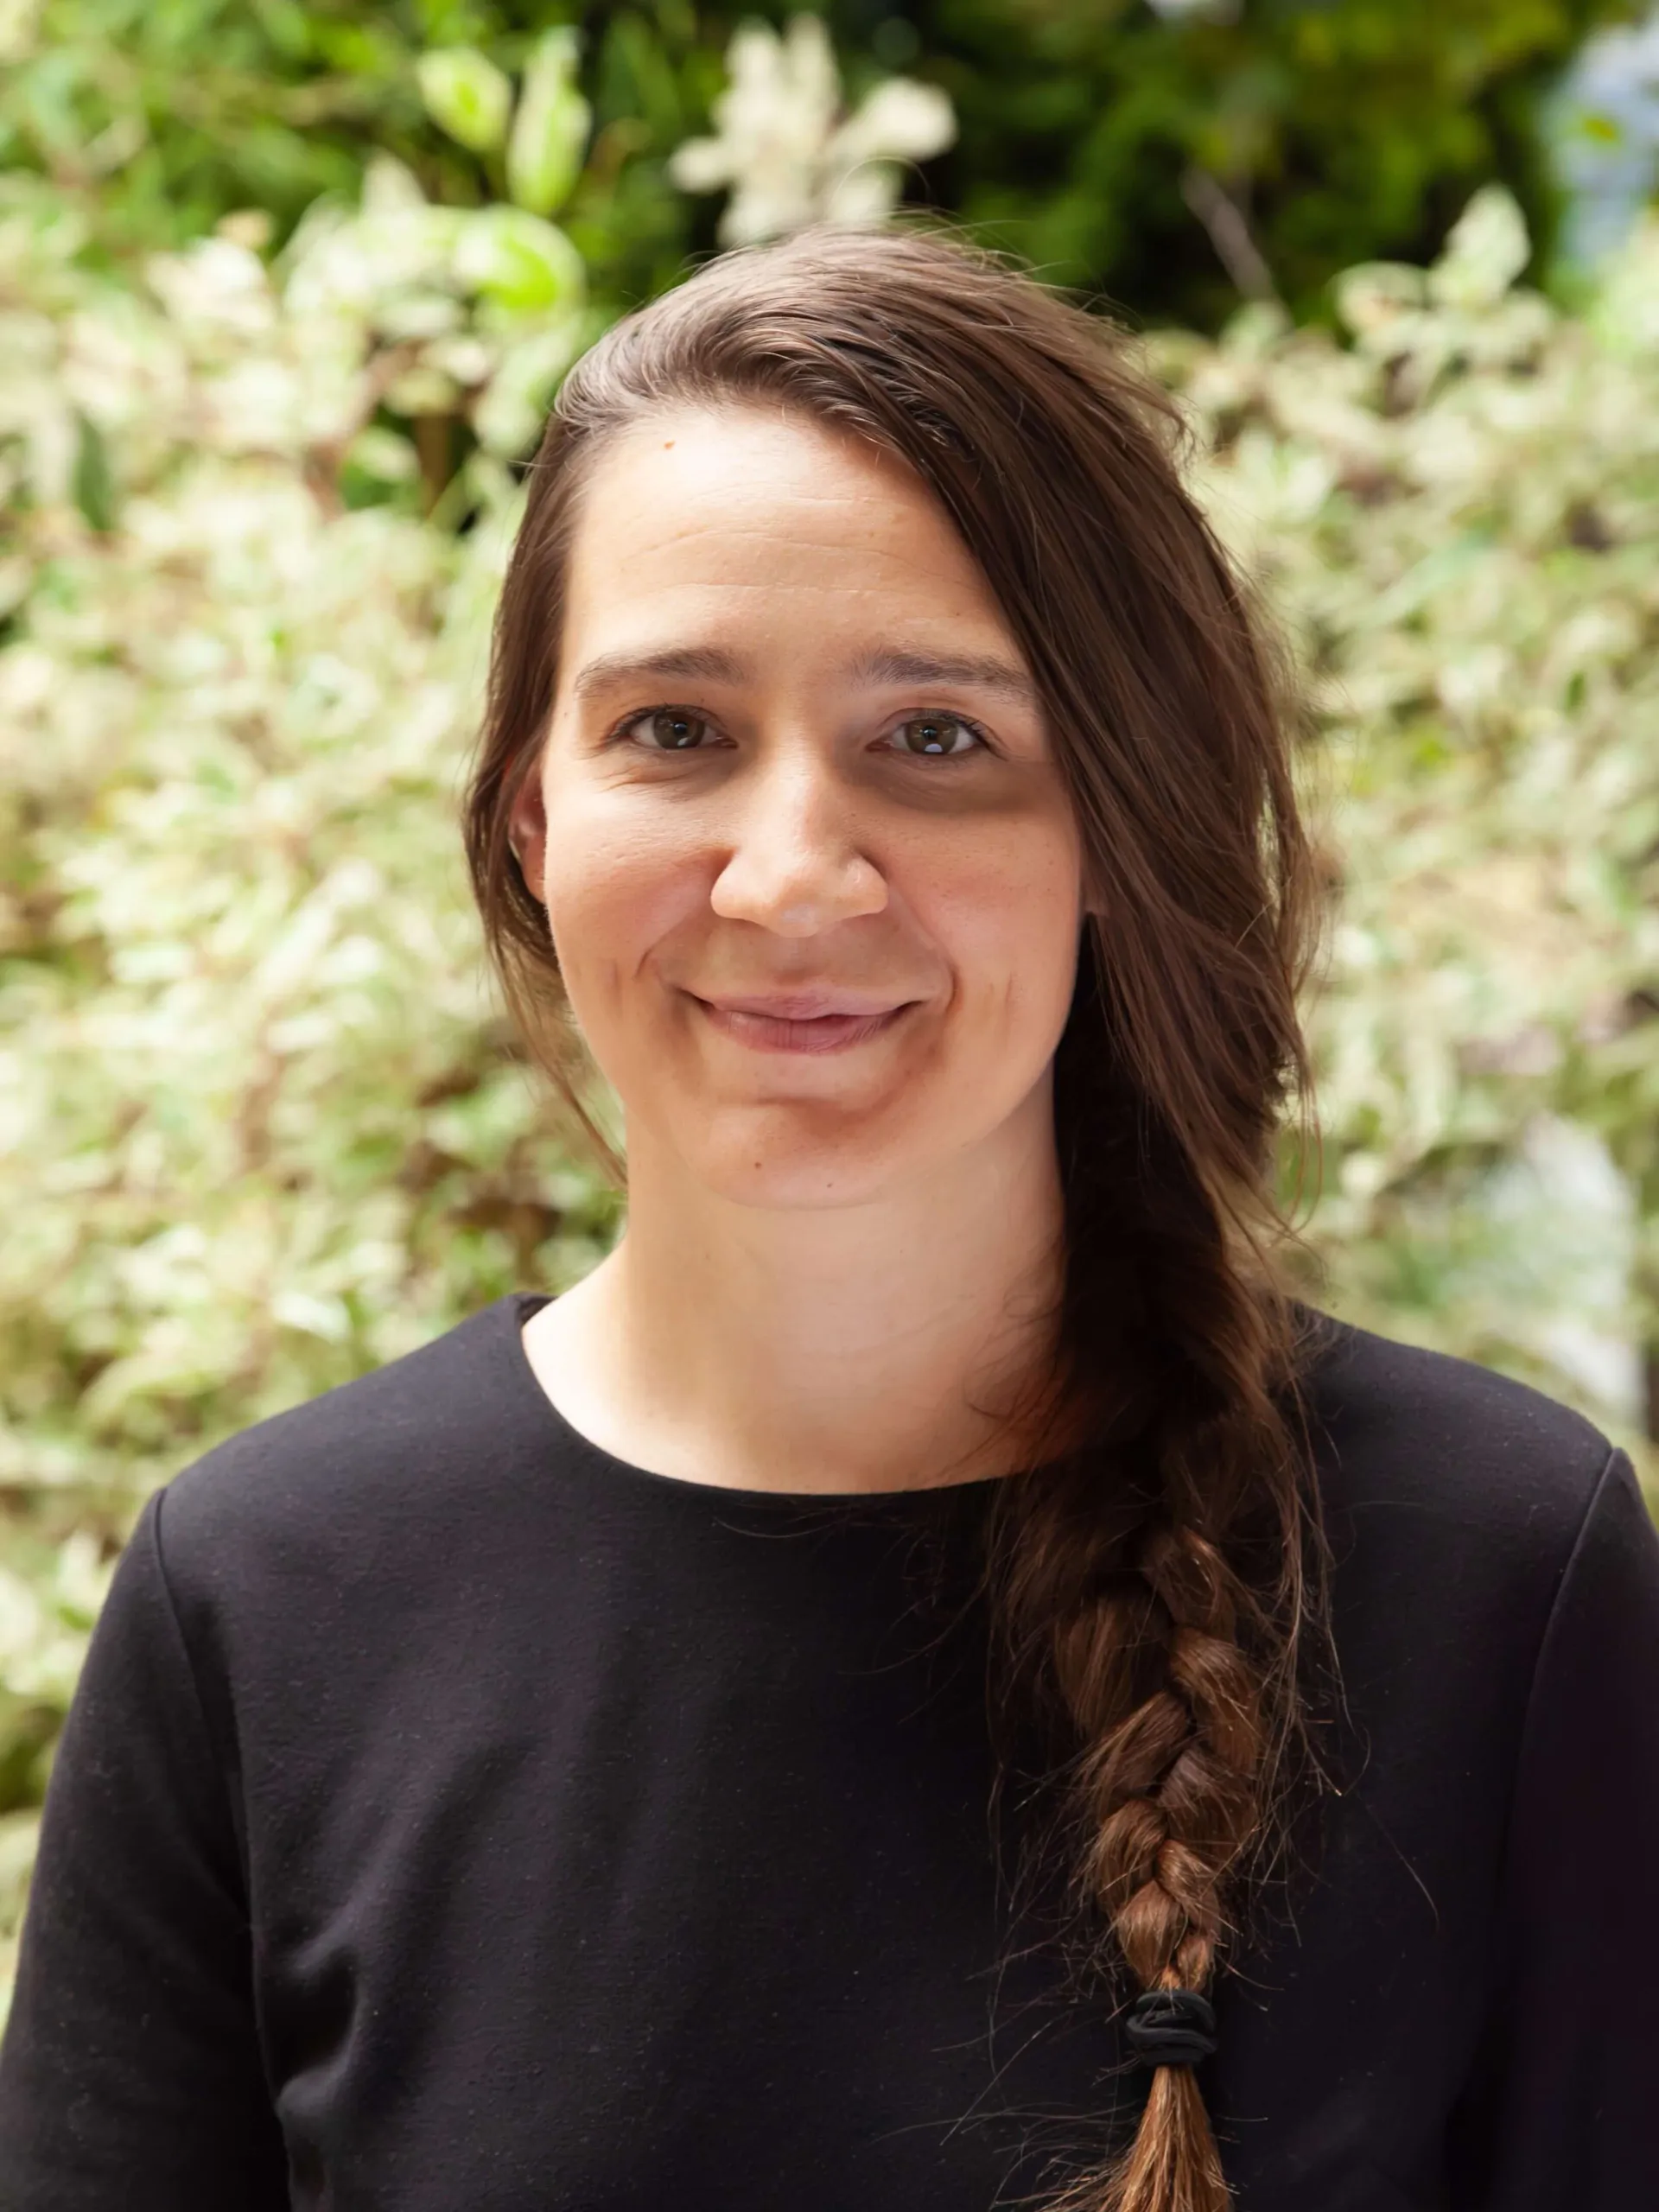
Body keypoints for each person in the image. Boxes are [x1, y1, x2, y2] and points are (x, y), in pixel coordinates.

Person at [3, 224, 1656, 2212]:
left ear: (1116, 830)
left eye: (937, 738)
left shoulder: (1502, 1571)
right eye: (675, 729)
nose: (792, 874)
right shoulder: (257, 1601)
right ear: (536, 815)